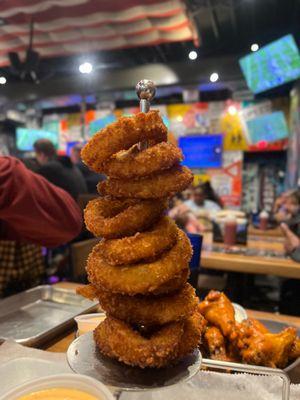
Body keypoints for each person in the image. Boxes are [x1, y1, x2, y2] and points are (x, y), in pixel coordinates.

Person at [0, 156, 83, 297]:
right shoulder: (72, 169)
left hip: (18, 287)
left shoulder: (46, 170)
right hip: (28, 277)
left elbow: (68, 223)